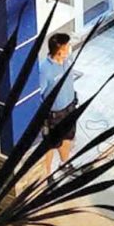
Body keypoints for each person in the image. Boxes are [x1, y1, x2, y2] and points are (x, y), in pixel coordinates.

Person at [39, 33, 77, 177]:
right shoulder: (45, 69)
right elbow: (39, 95)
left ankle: (64, 163)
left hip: (70, 108)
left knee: (68, 137)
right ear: (59, 49)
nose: (69, 48)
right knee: (50, 145)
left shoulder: (68, 60)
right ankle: (47, 176)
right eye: (67, 46)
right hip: (54, 115)